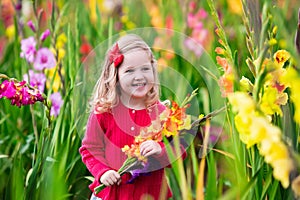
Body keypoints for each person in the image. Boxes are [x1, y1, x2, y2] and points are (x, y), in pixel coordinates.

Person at [79, 34, 179, 200]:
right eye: (130, 71)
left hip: (149, 194)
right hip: (112, 194)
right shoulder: (104, 111)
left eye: (145, 69)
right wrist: (103, 172)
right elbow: (90, 149)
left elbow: (178, 150)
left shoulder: (161, 113)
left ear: (153, 70)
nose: (139, 76)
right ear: (115, 75)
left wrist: (160, 150)